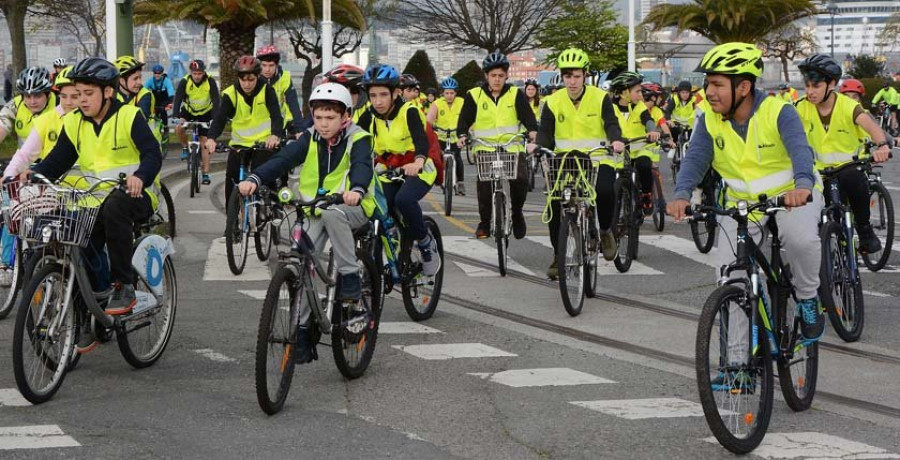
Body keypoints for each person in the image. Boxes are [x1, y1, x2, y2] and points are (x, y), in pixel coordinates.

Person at [666, 42, 825, 344]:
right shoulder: (709, 118)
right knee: (730, 275)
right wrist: (682, 194)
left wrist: (802, 185)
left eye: (717, 84)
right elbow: (697, 158)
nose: (709, 92)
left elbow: (800, 150)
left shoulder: (778, 111)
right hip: (743, 204)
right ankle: (739, 365)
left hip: (791, 196)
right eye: (707, 84)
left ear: (743, 87)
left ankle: (807, 299)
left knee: (800, 239)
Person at [238, 83, 375, 363]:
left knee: (333, 214)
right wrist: (255, 178)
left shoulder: (358, 138)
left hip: (353, 206)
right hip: (315, 209)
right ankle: (301, 329)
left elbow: (361, 165)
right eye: (319, 117)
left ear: (345, 117)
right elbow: (284, 158)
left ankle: (349, 276)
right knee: (300, 262)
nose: (323, 124)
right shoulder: (310, 138)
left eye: (330, 118)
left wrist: (357, 190)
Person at [25, 57, 162, 320]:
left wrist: (141, 177)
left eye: (89, 93)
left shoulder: (128, 116)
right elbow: (57, 160)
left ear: (108, 92)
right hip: (93, 204)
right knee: (73, 241)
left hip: (136, 196)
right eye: (77, 94)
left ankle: (124, 286)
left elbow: (152, 154)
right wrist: (34, 174)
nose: (82, 100)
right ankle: (90, 312)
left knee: (115, 205)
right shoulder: (74, 122)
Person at [530, 48, 625, 279]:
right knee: (554, 203)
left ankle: (604, 232)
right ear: (561, 77)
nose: (572, 82)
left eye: (576, 76)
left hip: (596, 158)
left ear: (585, 75)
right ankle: (558, 254)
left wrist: (616, 140)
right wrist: (537, 145)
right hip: (565, 161)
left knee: (604, 191)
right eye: (567, 76)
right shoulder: (552, 101)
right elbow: (545, 131)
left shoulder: (600, 97)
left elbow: (611, 123)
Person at [794, 54, 891, 254]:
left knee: (855, 180)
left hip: (848, 167)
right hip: (818, 174)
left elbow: (871, 126)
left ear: (831, 84)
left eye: (816, 86)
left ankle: (864, 231)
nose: (810, 92)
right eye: (807, 86)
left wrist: (882, 145)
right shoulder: (800, 107)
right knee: (818, 219)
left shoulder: (848, 106)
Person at [356, 64, 440, 276]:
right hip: (389, 169)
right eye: (373, 95)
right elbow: (355, 140)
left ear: (396, 93)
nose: (378, 101)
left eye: (383, 94)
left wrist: (418, 162)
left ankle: (425, 242)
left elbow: (421, 142)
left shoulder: (408, 111)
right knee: (377, 202)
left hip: (419, 168)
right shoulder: (369, 116)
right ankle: (392, 237)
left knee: (404, 200)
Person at [456, 50, 538, 239]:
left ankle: (517, 213)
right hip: (485, 148)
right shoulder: (474, 95)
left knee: (520, 180)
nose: (497, 79)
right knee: (484, 185)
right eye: (493, 75)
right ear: (486, 76)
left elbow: (528, 118)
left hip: (512, 147)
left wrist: (533, 133)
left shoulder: (515, 94)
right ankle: (484, 222)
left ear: (507, 75)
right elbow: (464, 120)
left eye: (501, 75)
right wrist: (461, 135)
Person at [206, 56, 283, 207]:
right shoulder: (230, 94)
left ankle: (273, 211)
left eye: (251, 79)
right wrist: (211, 138)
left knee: (265, 176)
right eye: (243, 79)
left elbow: (276, 115)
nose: (247, 84)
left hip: (263, 144)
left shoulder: (267, 90)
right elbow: (220, 119)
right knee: (232, 181)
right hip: (239, 144)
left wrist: (275, 135)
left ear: (257, 76)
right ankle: (231, 223)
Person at [609, 72, 673, 215]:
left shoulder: (640, 107)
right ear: (624, 92)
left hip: (639, 148)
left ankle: (646, 195)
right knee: (612, 178)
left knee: (644, 165)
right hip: (619, 151)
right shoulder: (609, 108)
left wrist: (652, 131)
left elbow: (648, 120)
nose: (641, 95)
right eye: (637, 91)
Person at [172, 59, 219, 184]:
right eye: (194, 74)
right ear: (191, 73)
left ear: (203, 73)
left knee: (205, 142)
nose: (197, 76)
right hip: (189, 111)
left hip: (205, 113)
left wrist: (215, 118)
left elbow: (216, 100)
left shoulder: (210, 81)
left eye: (199, 73)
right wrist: (175, 115)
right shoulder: (185, 81)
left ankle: (205, 173)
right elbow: (177, 98)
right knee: (179, 127)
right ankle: (185, 148)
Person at [0, 66, 57, 148]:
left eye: (38, 96)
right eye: (27, 96)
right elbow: (2, 122)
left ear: (48, 94)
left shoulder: (60, 106)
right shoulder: (16, 104)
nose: (32, 102)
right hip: (23, 159)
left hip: (54, 159)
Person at [427, 76, 466, 195]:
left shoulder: (462, 102)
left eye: (452, 93)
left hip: (456, 137)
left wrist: (467, 130)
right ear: (442, 93)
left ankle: (460, 183)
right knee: (437, 158)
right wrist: (430, 125)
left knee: (458, 158)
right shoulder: (437, 103)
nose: (449, 95)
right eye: (447, 93)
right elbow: (429, 119)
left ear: (456, 93)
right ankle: (440, 180)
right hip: (441, 136)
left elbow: (467, 117)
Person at [256, 45, 304, 137]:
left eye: (271, 65)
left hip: (279, 126)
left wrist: (299, 129)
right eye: (264, 65)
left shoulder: (284, 77)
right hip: (257, 128)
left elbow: (293, 104)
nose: (267, 70)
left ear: (277, 65)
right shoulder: (252, 79)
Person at [115, 56, 160, 148]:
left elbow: (140, 119)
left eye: (140, 77)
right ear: (122, 81)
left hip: (148, 145)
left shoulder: (145, 94)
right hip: (123, 146)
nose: (139, 82)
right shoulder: (113, 95)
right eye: (135, 79)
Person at [144, 64, 175, 137]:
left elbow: (171, 91)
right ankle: (154, 130)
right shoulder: (150, 81)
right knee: (154, 115)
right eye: (155, 73)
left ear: (162, 73)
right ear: (153, 73)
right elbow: (144, 90)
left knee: (163, 112)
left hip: (165, 100)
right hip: (155, 100)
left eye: (159, 73)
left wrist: (170, 103)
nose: (157, 75)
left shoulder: (166, 81)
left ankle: (166, 128)